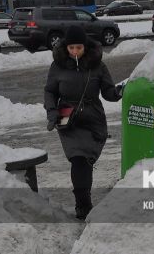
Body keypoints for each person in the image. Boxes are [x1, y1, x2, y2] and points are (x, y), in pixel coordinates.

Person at [44, 26, 123, 220]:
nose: (75, 52)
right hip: (67, 117)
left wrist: (120, 92)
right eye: (71, 48)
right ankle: (83, 204)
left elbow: (108, 92)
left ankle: (83, 201)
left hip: (92, 117)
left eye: (78, 47)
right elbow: (50, 91)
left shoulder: (98, 65)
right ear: (66, 47)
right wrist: (52, 112)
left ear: (85, 47)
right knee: (78, 158)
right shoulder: (58, 65)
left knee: (86, 160)